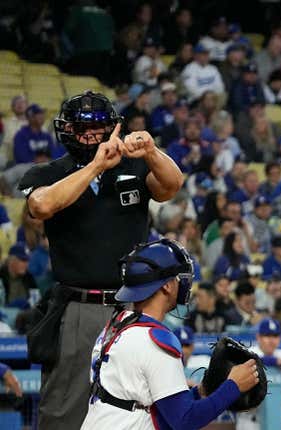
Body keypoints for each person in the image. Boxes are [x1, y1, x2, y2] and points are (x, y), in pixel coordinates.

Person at [18, 91, 184, 429]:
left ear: (114, 128)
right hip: (79, 305)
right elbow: (42, 207)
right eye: (82, 129)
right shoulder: (47, 172)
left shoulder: (136, 165)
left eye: (97, 129)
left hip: (133, 306)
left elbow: (171, 186)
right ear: (67, 131)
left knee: (133, 404)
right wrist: (96, 166)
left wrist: (151, 151)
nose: (90, 136)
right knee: (65, 410)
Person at [81, 239, 259, 429]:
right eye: (178, 277)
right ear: (166, 286)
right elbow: (185, 421)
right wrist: (233, 386)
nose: (183, 282)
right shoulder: (154, 340)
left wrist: (200, 392)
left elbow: (151, 406)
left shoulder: (117, 324)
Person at [0, 242, 37, 307]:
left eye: (27, 260)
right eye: (23, 260)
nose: (26, 264)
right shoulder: (1, 276)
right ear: (11, 260)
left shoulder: (29, 276)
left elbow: (36, 301)